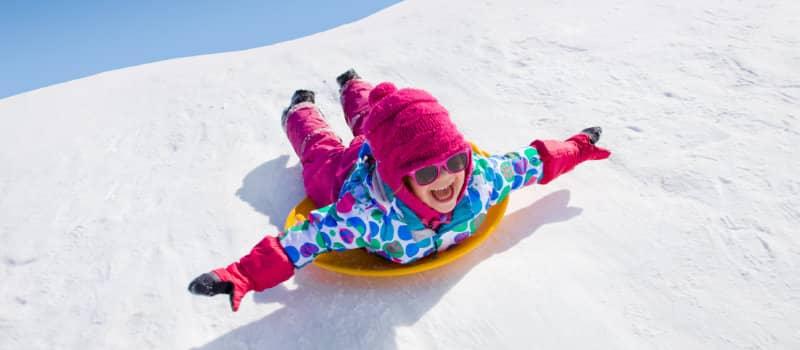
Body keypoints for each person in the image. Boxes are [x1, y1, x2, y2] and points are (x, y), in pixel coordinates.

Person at [188, 69, 611, 311]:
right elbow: (304, 239)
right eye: (426, 175)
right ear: (400, 178)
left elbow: (531, 162)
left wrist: (577, 146)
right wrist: (243, 273)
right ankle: (299, 109)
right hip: (346, 172)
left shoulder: (479, 178)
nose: (446, 180)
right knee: (320, 153)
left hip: (386, 152)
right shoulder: (366, 214)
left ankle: (353, 85)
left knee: (376, 116)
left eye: (454, 162)